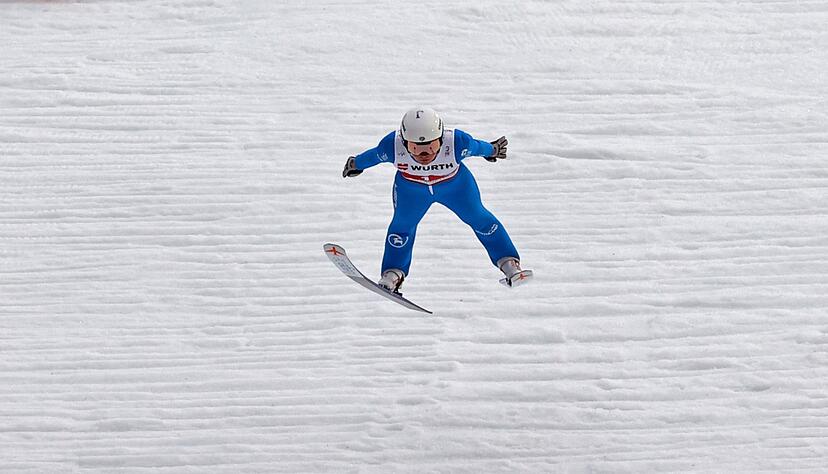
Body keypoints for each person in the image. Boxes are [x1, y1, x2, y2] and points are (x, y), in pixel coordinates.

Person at [342, 107, 528, 293]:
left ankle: (509, 264)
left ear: (441, 139)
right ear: (405, 143)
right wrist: (356, 163)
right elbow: (373, 156)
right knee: (402, 227)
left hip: (455, 187)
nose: (425, 155)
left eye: (431, 147)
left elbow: (477, 147)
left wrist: (492, 150)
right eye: (415, 148)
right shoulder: (392, 145)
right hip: (412, 191)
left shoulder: (457, 142)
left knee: (479, 218)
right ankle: (393, 273)